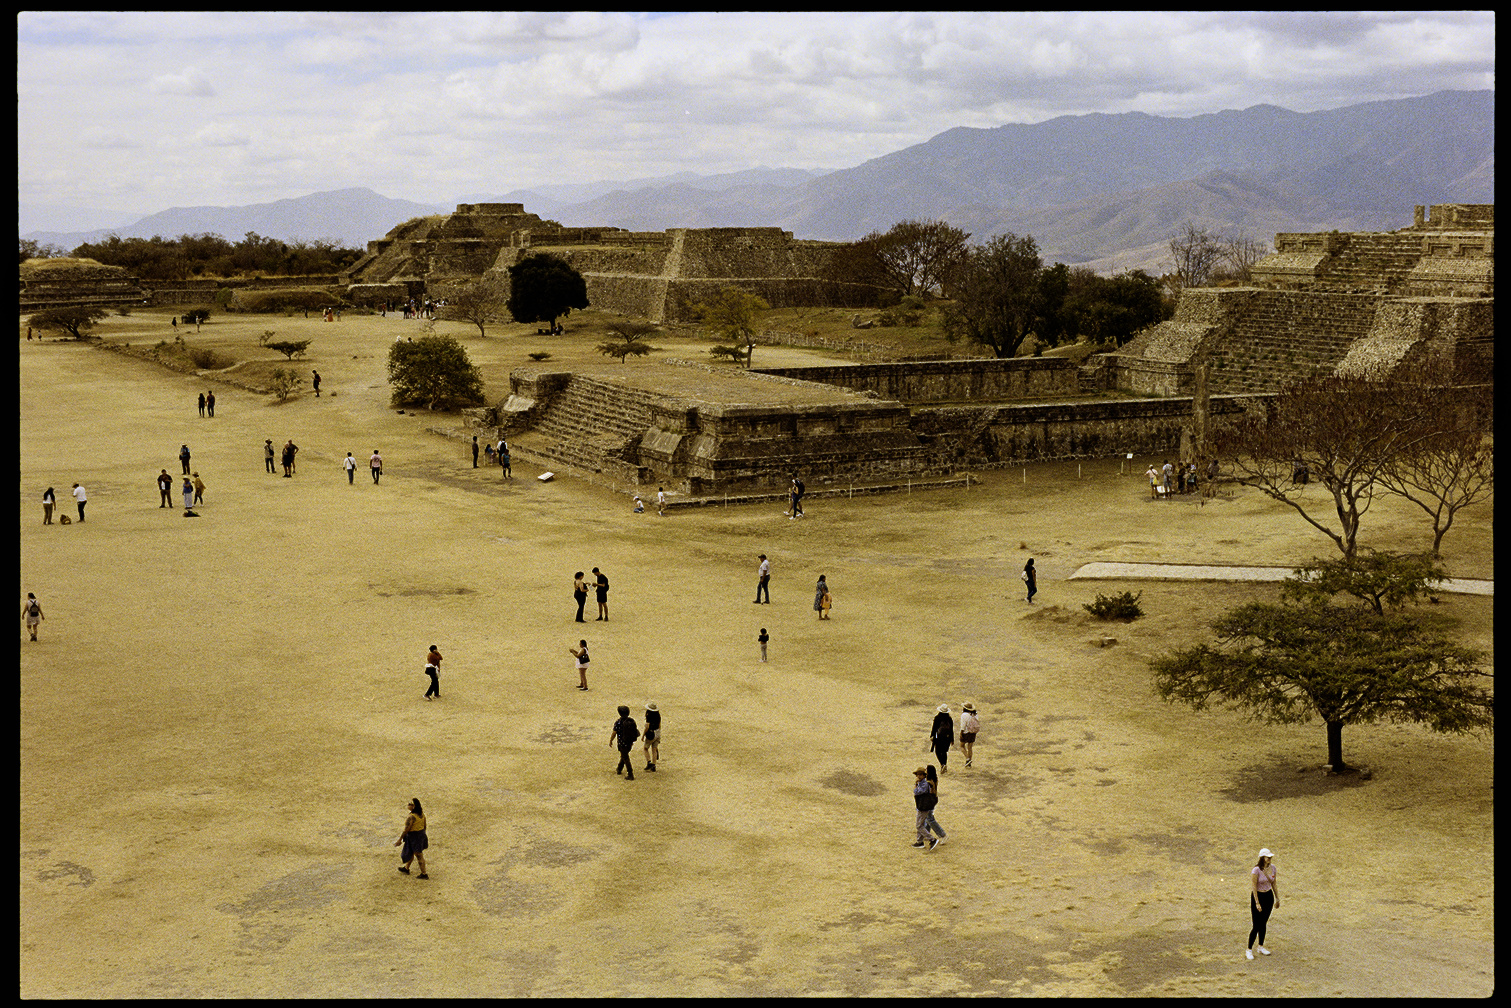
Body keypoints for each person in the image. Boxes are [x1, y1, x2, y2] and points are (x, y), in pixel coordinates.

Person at [1247, 848, 1280, 959]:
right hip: (1259, 897)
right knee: (1256, 925)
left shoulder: (1273, 868)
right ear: (1262, 858)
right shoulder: (1256, 870)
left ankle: (1260, 946)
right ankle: (1249, 949)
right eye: (1267, 857)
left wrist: (1277, 898)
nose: (1269, 859)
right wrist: (1257, 902)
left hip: (1268, 897)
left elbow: (1274, 884)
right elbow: (1254, 887)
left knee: (1263, 923)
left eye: (1270, 857)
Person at [394, 798, 429, 879]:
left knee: (419, 855)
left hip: (414, 837)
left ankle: (424, 874)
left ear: (413, 806)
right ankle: (406, 868)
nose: (408, 805)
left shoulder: (411, 817)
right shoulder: (422, 814)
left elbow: (406, 829)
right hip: (420, 835)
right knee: (412, 852)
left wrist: (400, 839)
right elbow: (424, 826)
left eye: (410, 804)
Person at [912, 767, 945, 850]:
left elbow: (918, 792)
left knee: (919, 825)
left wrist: (915, 787)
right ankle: (920, 842)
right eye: (917, 774)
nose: (918, 776)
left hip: (923, 807)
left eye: (920, 774)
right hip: (921, 806)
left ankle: (932, 839)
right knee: (921, 823)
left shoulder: (924, 784)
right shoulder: (924, 783)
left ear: (924, 775)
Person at [609, 705, 640, 779]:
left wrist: (611, 740)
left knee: (625, 757)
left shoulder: (618, 722)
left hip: (622, 742)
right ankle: (619, 768)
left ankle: (630, 773)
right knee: (624, 755)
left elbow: (614, 733)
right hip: (629, 741)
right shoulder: (631, 721)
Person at [930, 704, 954, 773]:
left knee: (937, 751)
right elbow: (951, 729)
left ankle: (942, 764)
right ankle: (944, 765)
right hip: (947, 737)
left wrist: (932, 736)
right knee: (944, 752)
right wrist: (952, 739)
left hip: (938, 737)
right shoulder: (949, 719)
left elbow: (934, 728)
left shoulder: (937, 718)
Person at [642, 702, 661, 771]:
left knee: (645, 748)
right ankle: (654, 765)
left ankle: (649, 762)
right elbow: (659, 725)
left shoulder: (649, 716)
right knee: (654, 749)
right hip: (657, 732)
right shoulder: (658, 715)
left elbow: (647, 727)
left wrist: (643, 735)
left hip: (651, 733)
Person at [960, 703, 980, 767]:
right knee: (970, 748)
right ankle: (969, 763)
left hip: (966, 732)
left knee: (962, 746)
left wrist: (961, 732)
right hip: (973, 732)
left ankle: (967, 759)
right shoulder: (975, 714)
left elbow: (963, 725)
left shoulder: (964, 715)